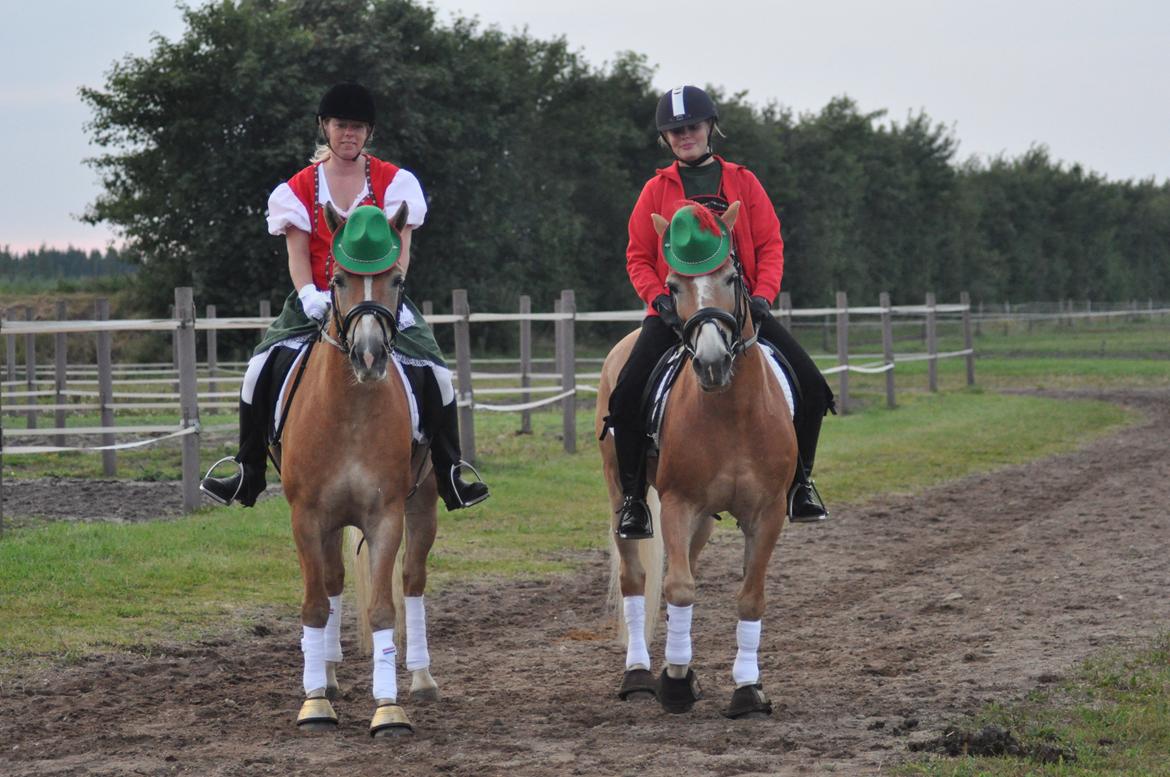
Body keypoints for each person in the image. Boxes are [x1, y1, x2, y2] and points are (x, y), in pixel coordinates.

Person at [200, 82, 489, 511]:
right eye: (340, 125)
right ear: (325, 127)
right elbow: (297, 255)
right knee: (257, 369)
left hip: (380, 298)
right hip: (316, 296)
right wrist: (309, 295)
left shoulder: (396, 182)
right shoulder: (297, 189)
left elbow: (400, 253)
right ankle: (248, 468)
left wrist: (384, 297)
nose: (348, 134)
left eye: (357, 127)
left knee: (438, 373)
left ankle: (450, 472)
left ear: (368, 132)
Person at [608, 84, 834, 539]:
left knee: (811, 385)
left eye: (691, 126)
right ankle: (634, 500)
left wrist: (764, 295)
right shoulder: (655, 190)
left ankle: (801, 484)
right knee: (626, 393)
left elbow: (770, 244)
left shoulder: (744, 182)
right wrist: (659, 300)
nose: (684, 136)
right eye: (674, 131)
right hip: (675, 314)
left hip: (739, 311)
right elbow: (637, 255)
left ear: (710, 127)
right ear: (665, 139)